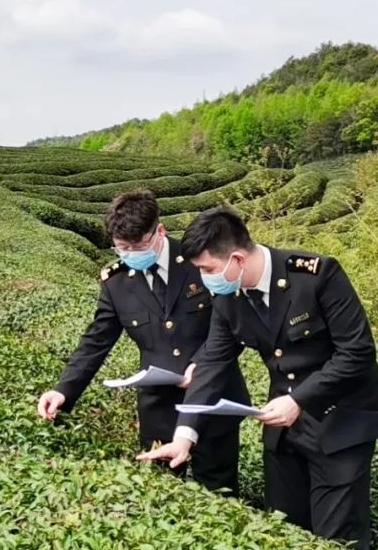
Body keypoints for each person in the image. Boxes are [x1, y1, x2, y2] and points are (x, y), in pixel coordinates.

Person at [138, 207, 378, 549]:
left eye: (208, 269)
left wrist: (298, 399)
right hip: (284, 431)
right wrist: (184, 437)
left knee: (337, 537)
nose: (204, 279)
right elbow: (212, 363)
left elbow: (357, 352)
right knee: (283, 531)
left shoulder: (317, 276)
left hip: (341, 423)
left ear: (237, 260)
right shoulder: (228, 298)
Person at [37, 191, 249, 494]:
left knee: (218, 492)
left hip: (213, 399)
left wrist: (201, 364)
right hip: (159, 407)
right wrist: (63, 390)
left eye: (139, 245)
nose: (131, 254)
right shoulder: (116, 282)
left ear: (159, 231)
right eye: (122, 248)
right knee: (161, 494)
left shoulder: (198, 261)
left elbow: (234, 323)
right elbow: (96, 340)